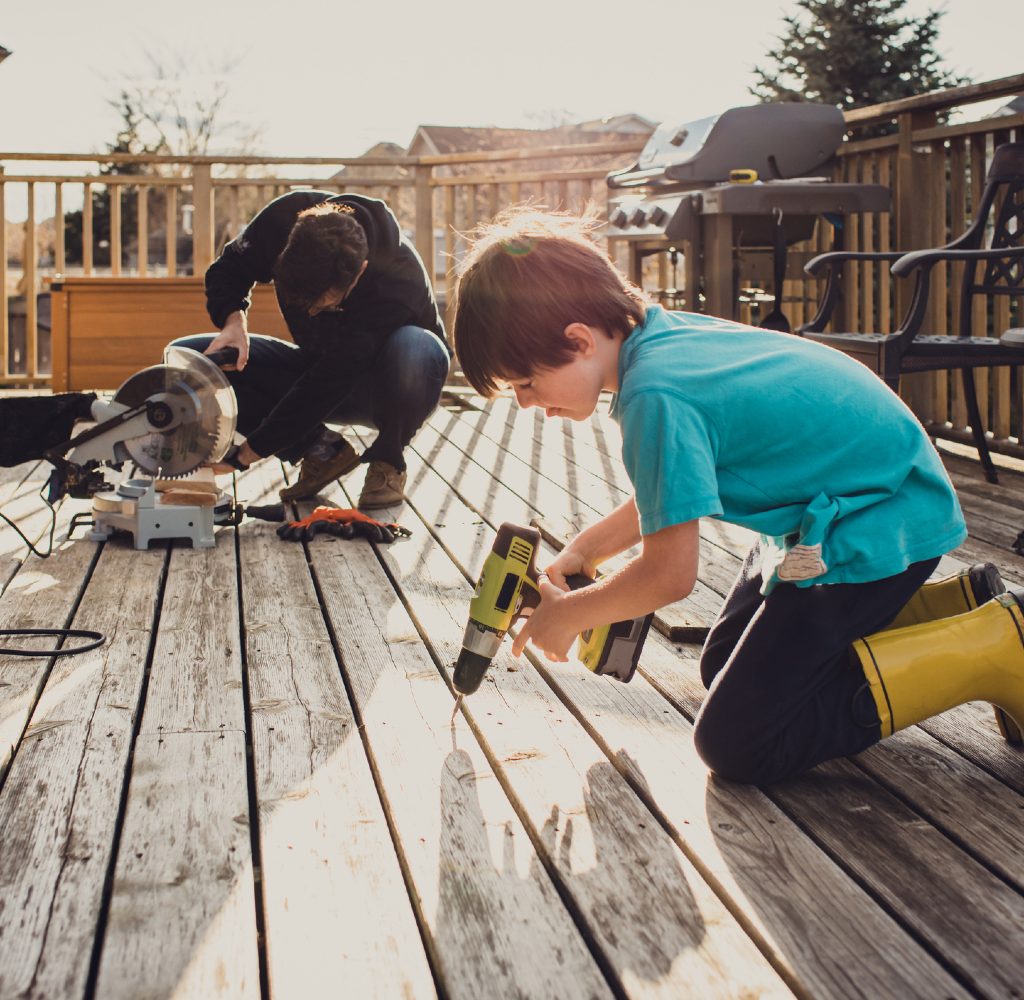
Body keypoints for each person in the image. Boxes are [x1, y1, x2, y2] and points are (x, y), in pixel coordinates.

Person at [450, 208, 1024, 785]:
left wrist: (571, 614)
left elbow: (669, 577)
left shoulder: (657, 395)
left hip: (872, 521)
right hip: (853, 502)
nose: (525, 403)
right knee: (724, 662)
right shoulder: (655, 336)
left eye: (525, 382)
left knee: (739, 742)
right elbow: (671, 491)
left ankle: (992, 644)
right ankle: (956, 605)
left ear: (577, 340)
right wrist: (589, 548)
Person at [172, 191, 450, 508]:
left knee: (415, 346)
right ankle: (322, 451)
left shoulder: (398, 280)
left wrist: (243, 456)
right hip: (320, 364)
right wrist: (234, 322)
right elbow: (229, 268)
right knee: (196, 358)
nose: (312, 314)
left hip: (392, 387)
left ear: (359, 271)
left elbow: (331, 380)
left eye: (325, 305)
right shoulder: (281, 220)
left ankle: (388, 461)